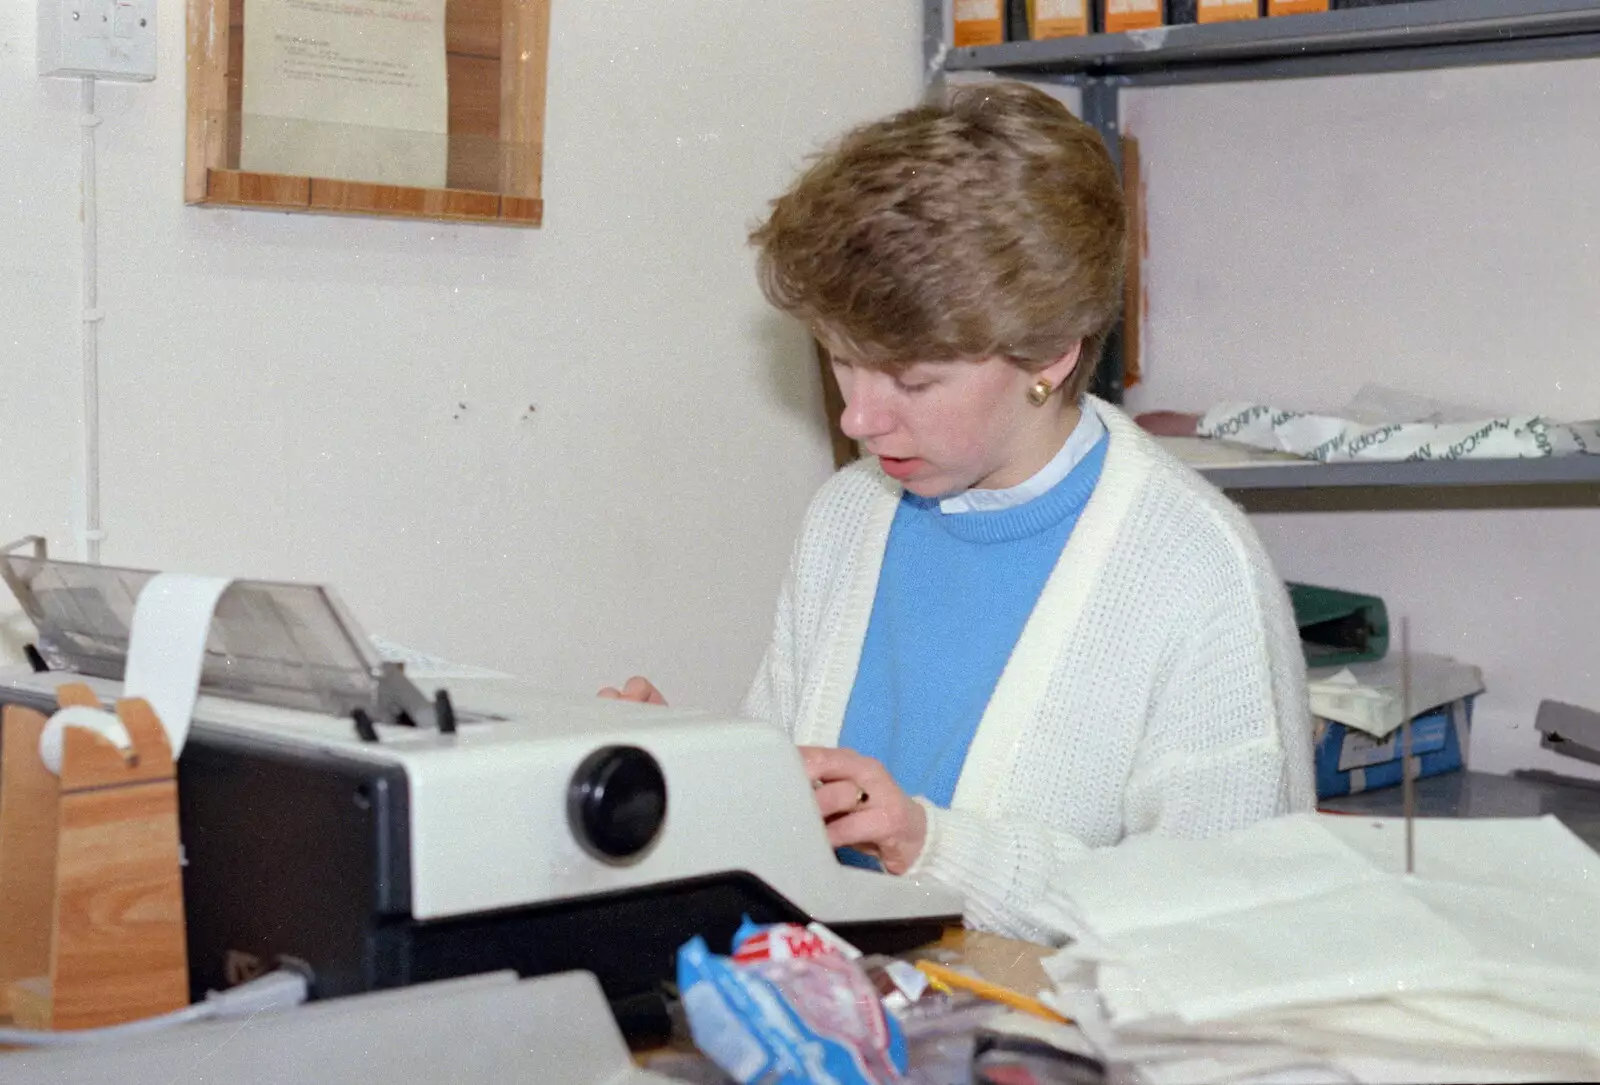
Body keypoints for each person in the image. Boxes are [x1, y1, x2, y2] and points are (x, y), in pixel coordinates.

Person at [602, 81, 1313, 943]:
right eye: (841, 362)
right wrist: (690, 784)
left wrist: (931, 845)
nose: (857, 419)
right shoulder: (847, 517)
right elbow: (791, 835)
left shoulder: (1195, 565)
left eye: (912, 380)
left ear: (1050, 356)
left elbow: (1226, 922)